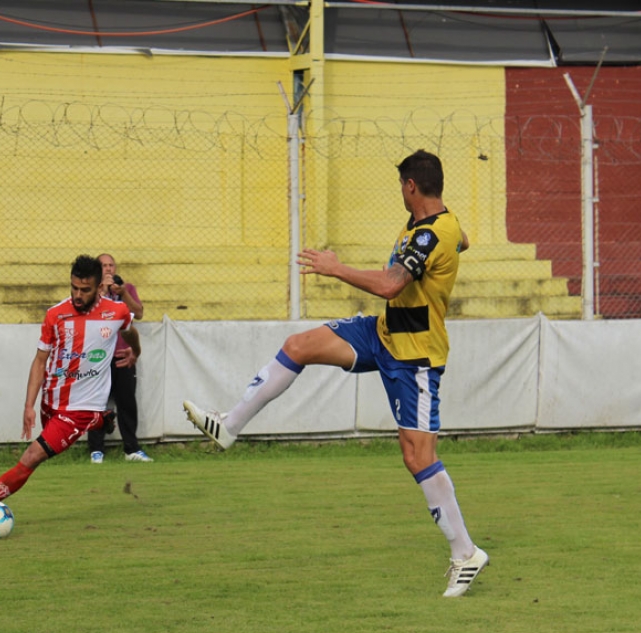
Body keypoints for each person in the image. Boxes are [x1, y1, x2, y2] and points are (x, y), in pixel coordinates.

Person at [183, 150, 487, 598]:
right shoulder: (437, 225)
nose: (401, 194)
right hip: (383, 334)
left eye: (401, 187)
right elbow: (463, 240)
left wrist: (335, 268)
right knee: (298, 346)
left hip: (415, 357)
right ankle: (229, 426)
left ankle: (466, 553)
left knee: (417, 457)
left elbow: (391, 285)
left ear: (411, 186)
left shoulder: (429, 234)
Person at [0, 255, 141, 527]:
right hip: (51, 400)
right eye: (74, 288)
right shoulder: (56, 314)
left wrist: (135, 351)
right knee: (48, 440)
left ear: (99, 287)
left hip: (79, 409)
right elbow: (40, 360)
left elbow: (129, 330)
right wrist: (29, 405)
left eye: (85, 290)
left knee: (32, 457)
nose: (78, 295)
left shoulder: (117, 312)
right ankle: (101, 420)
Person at [86, 253, 152, 463]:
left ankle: (131, 449)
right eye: (103, 265)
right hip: (99, 357)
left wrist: (123, 293)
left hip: (123, 355)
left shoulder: (127, 289)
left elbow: (138, 313)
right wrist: (103, 292)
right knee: (97, 403)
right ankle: (96, 449)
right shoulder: (91, 290)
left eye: (111, 265)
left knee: (127, 404)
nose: (108, 269)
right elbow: (88, 314)